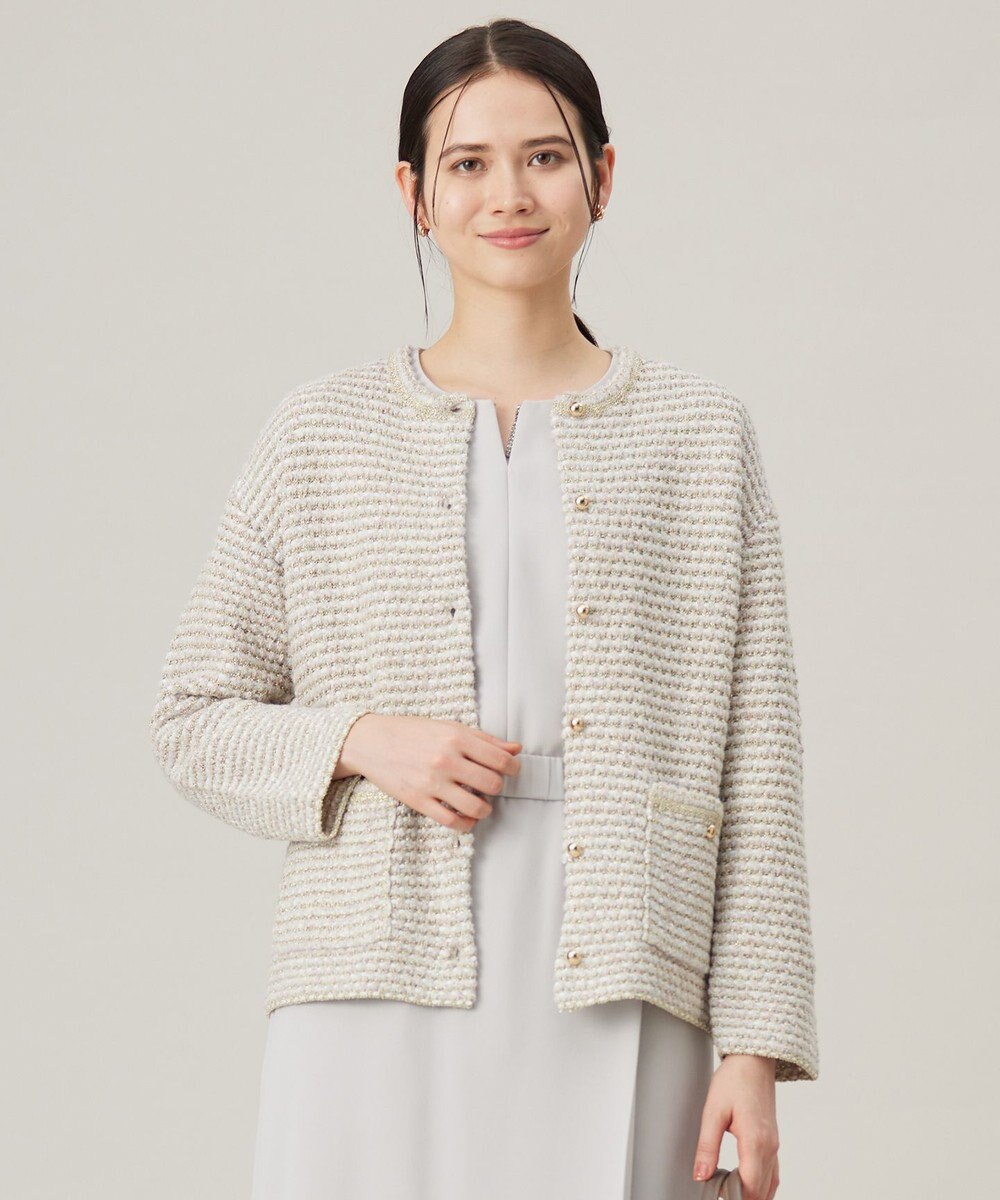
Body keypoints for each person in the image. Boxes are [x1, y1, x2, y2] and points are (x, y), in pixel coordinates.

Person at [149, 18, 818, 1200]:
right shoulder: (319, 433)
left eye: (544, 157)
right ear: (414, 193)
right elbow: (190, 718)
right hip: (371, 977)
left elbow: (756, 767)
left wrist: (754, 1047)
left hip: (622, 969)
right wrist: (360, 740)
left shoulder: (699, 437)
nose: (508, 193)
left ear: (601, 175)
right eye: (467, 163)